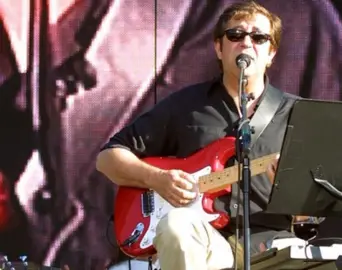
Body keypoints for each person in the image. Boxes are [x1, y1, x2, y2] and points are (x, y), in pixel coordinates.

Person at [96, 1, 310, 269]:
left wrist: (296, 192)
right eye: (235, 35)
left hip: (271, 245)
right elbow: (108, 158)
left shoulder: (298, 114)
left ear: (271, 53)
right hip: (205, 242)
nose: (246, 43)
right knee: (176, 223)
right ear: (219, 48)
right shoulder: (185, 105)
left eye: (258, 37)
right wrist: (158, 179)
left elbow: (308, 217)